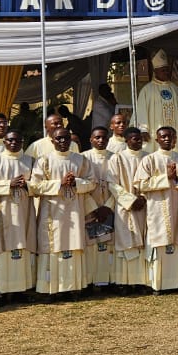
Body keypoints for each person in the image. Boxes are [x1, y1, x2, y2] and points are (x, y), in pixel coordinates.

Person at [28, 127, 96, 296]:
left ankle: (74, 287)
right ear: (52, 141)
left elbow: (92, 182)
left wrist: (75, 183)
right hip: (52, 213)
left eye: (66, 138)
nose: (63, 142)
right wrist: (59, 183)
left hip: (74, 211)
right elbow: (35, 186)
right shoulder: (43, 161)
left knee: (74, 245)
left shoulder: (81, 160)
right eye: (58, 139)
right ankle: (51, 289)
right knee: (52, 247)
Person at [0, 130, 36, 304]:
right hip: (0, 211)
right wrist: (7, 184)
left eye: (17, 140)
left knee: (21, 249)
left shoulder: (30, 161)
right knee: (0, 249)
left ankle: (20, 289)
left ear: (22, 141)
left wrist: (28, 185)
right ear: (4, 142)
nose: (13, 143)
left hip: (24, 211)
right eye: (10, 140)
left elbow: (39, 185)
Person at [136, 126, 178, 292]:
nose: (167, 139)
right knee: (159, 241)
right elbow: (141, 184)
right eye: (163, 136)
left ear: (175, 138)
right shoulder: (149, 160)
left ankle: (176, 282)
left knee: (176, 241)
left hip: (177, 205)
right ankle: (158, 284)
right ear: (157, 140)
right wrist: (166, 178)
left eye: (171, 136)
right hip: (157, 207)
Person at [107, 127, 149, 292]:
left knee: (143, 242)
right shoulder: (117, 159)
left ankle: (142, 281)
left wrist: (143, 197)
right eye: (134, 138)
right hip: (126, 206)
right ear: (126, 140)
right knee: (127, 242)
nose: (138, 141)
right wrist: (131, 200)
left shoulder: (148, 157)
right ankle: (124, 282)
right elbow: (112, 183)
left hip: (145, 205)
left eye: (140, 138)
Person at [81, 127, 117, 289]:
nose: (101, 140)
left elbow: (120, 185)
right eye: (97, 138)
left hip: (110, 205)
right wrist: (94, 208)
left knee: (109, 244)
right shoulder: (82, 158)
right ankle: (91, 280)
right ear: (91, 139)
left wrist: (108, 207)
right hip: (90, 207)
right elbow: (80, 184)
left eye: (104, 138)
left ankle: (108, 279)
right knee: (91, 245)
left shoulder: (116, 158)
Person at [135, 50, 178, 148]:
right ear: (155, 71)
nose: (166, 72)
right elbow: (141, 110)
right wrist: (143, 130)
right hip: (154, 131)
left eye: (167, 70)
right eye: (163, 70)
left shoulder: (175, 88)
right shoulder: (147, 90)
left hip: (174, 129)